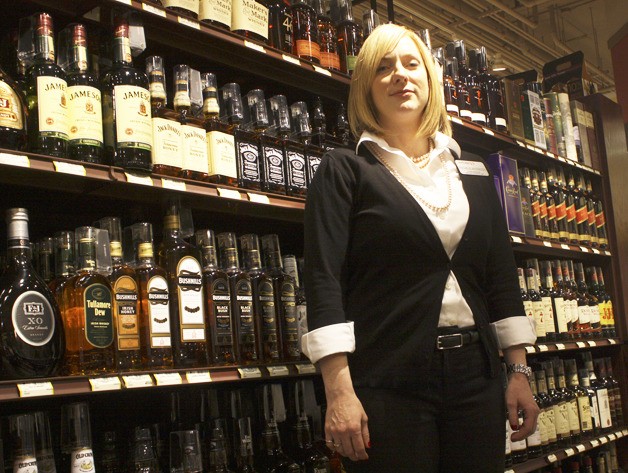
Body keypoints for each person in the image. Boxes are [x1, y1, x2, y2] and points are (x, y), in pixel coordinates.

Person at [301, 24, 539, 473]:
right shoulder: (345, 171)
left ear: (430, 81)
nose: (400, 76)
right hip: (389, 381)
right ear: (367, 88)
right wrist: (338, 390)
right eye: (384, 68)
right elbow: (323, 282)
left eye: (412, 65)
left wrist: (519, 371)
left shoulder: (470, 174)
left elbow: (501, 279)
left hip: (477, 376)